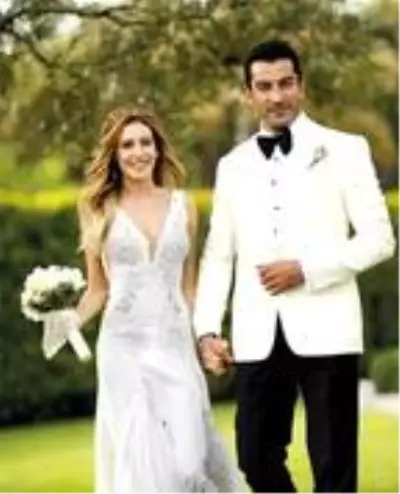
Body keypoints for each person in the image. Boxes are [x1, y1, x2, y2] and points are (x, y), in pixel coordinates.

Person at [193, 40, 396, 494]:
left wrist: (307, 269)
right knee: (254, 456)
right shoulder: (232, 167)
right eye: (264, 87)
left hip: (329, 328)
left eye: (285, 84)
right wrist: (206, 329)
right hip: (257, 334)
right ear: (248, 94)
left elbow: (379, 239)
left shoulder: (345, 150)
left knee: (334, 468)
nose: (277, 96)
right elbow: (218, 255)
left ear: (301, 86)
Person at [70, 106, 243, 494]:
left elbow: (189, 288)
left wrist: (208, 338)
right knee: (140, 463)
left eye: (145, 142)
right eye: (127, 145)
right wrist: (67, 321)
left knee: (188, 463)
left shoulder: (184, 205)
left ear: (158, 148)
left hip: (175, 344)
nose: (138, 152)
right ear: (115, 154)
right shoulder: (97, 208)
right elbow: (98, 290)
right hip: (122, 349)